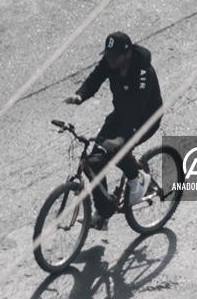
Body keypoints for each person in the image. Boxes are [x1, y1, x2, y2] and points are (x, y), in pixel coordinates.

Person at [63, 32, 163, 229]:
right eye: (107, 55)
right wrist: (80, 95)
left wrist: (121, 139)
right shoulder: (110, 62)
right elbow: (95, 78)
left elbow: (137, 109)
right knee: (94, 161)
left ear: (128, 54)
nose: (109, 59)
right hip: (120, 115)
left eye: (114, 56)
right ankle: (103, 212)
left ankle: (139, 178)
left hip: (145, 118)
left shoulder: (143, 73)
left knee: (117, 150)